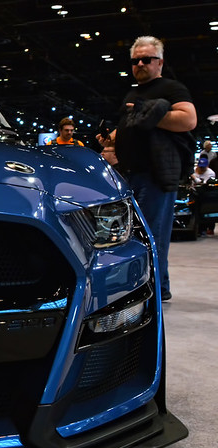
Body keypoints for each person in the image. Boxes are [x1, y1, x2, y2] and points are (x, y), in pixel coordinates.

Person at [97, 36, 197, 302]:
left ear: (160, 62)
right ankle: (154, 287)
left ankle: (156, 290)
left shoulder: (171, 88)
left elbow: (188, 119)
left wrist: (150, 115)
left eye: (146, 59)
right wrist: (113, 139)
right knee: (138, 236)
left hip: (155, 176)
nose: (140, 64)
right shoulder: (134, 93)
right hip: (130, 175)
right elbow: (133, 126)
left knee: (152, 235)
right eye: (135, 60)